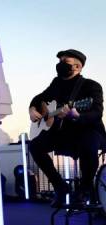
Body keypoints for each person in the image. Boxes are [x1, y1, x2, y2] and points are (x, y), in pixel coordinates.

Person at [29, 49, 106, 206]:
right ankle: (60, 187)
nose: (60, 65)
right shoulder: (57, 83)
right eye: (59, 62)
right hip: (63, 133)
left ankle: (84, 190)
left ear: (77, 67)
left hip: (88, 130)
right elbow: (40, 98)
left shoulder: (92, 86)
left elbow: (97, 113)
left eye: (65, 62)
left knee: (88, 144)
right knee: (35, 146)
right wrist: (32, 108)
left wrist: (77, 115)